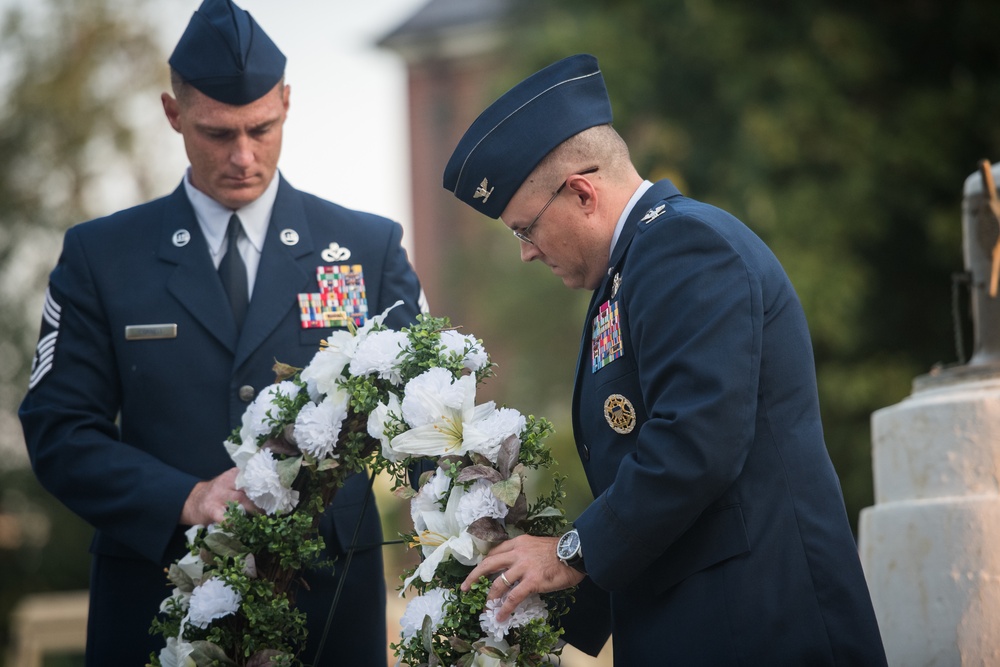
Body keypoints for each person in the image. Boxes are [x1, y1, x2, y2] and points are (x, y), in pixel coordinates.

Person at [443, 54, 887, 665]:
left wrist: (572, 552)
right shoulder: (632, 269)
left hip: (762, 625)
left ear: (581, 192)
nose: (525, 253)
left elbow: (696, 442)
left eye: (525, 229)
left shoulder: (684, 246)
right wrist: (539, 587)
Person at [18, 1, 425, 664]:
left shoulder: (365, 248)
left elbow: (420, 406)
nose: (243, 155)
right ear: (174, 114)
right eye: (216, 133)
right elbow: (58, 428)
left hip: (326, 610)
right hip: (156, 601)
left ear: (287, 103)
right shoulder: (102, 258)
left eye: (260, 128)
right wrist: (186, 497)